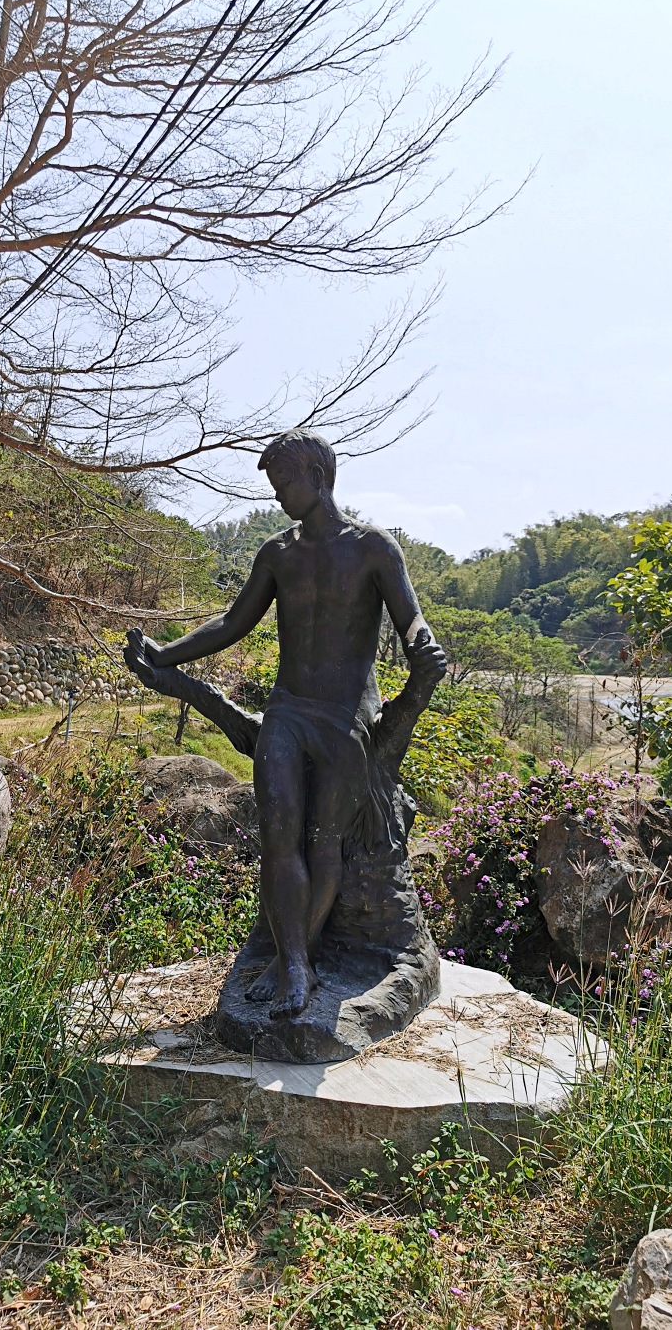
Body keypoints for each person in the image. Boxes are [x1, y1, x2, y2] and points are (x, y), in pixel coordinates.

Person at [125, 429, 445, 1019]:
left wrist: (425, 645)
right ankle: (294, 961)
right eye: (274, 486)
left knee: (325, 842)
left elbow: (412, 621)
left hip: (348, 716)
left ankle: (298, 952)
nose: (278, 497)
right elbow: (230, 624)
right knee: (279, 835)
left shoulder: (374, 548)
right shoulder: (278, 554)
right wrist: (164, 656)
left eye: (285, 483)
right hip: (289, 710)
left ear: (320, 476)